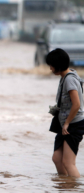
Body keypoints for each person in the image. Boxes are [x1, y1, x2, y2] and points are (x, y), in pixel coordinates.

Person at [47, 48, 84, 178]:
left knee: (69, 163)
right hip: (65, 125)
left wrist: (67, 123)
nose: (50, 68)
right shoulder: (65, 77)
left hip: (73, 125)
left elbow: (77, 104)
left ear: (58, 65)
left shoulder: (69, 79)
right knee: (57, 159)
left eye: (51, 65)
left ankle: (77, 188)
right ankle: (65, 186)